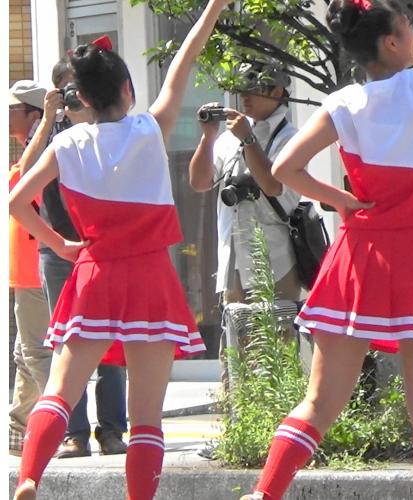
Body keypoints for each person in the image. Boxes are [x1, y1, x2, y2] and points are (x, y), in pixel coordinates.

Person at [239, 1, 413, 499]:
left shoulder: (343, 102)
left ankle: (264, 494)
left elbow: (284, 169)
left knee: (319, 402)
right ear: (392, 42)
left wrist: (343, 200)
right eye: (408, 26)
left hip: (360, 254)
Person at [9, 1, 233, 499]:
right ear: (127, 89)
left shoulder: (66, 145)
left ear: (83, 98)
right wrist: (214, 7)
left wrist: (59, 243)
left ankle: (29, 478)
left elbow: (17, 201)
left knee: (60, 391)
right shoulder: (150, 128)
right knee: (146, 416)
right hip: (150, 277)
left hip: (93, 272)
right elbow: (184, 61)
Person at [18, 57, 128, 458]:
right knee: (66, 340)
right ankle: (75, 433)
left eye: (81, 86)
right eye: (69, 88)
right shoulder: (49, 129)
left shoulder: (109, 125)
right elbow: (24, 174)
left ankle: (112, 430)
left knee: (110, 338)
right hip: (57, 248)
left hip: (104, 247)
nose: (77, 94)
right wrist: (49, 118)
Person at [189, 63, 303, 387]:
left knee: (277, 349)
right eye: (240, 90)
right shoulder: (229, 138)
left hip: (276, 258)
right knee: (236, 352)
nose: (244, 97)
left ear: (277, 92)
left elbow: (272, 186)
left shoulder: (291, 137)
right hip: (234, 257)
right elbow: (199, 182)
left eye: (253, 89)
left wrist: (249, 139)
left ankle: (278, 411)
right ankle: (237, 410)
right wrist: (208, 137)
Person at [8, 81, 51, 457]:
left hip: (36, 268)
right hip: (26, 269)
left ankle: (60, 422)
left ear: (33, 114)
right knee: (25, 353)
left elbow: (24, 182)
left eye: (12, 109)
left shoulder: (41, 151)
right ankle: (19, 428)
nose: (6, 116)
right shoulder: (31, 149)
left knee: (35, 352)